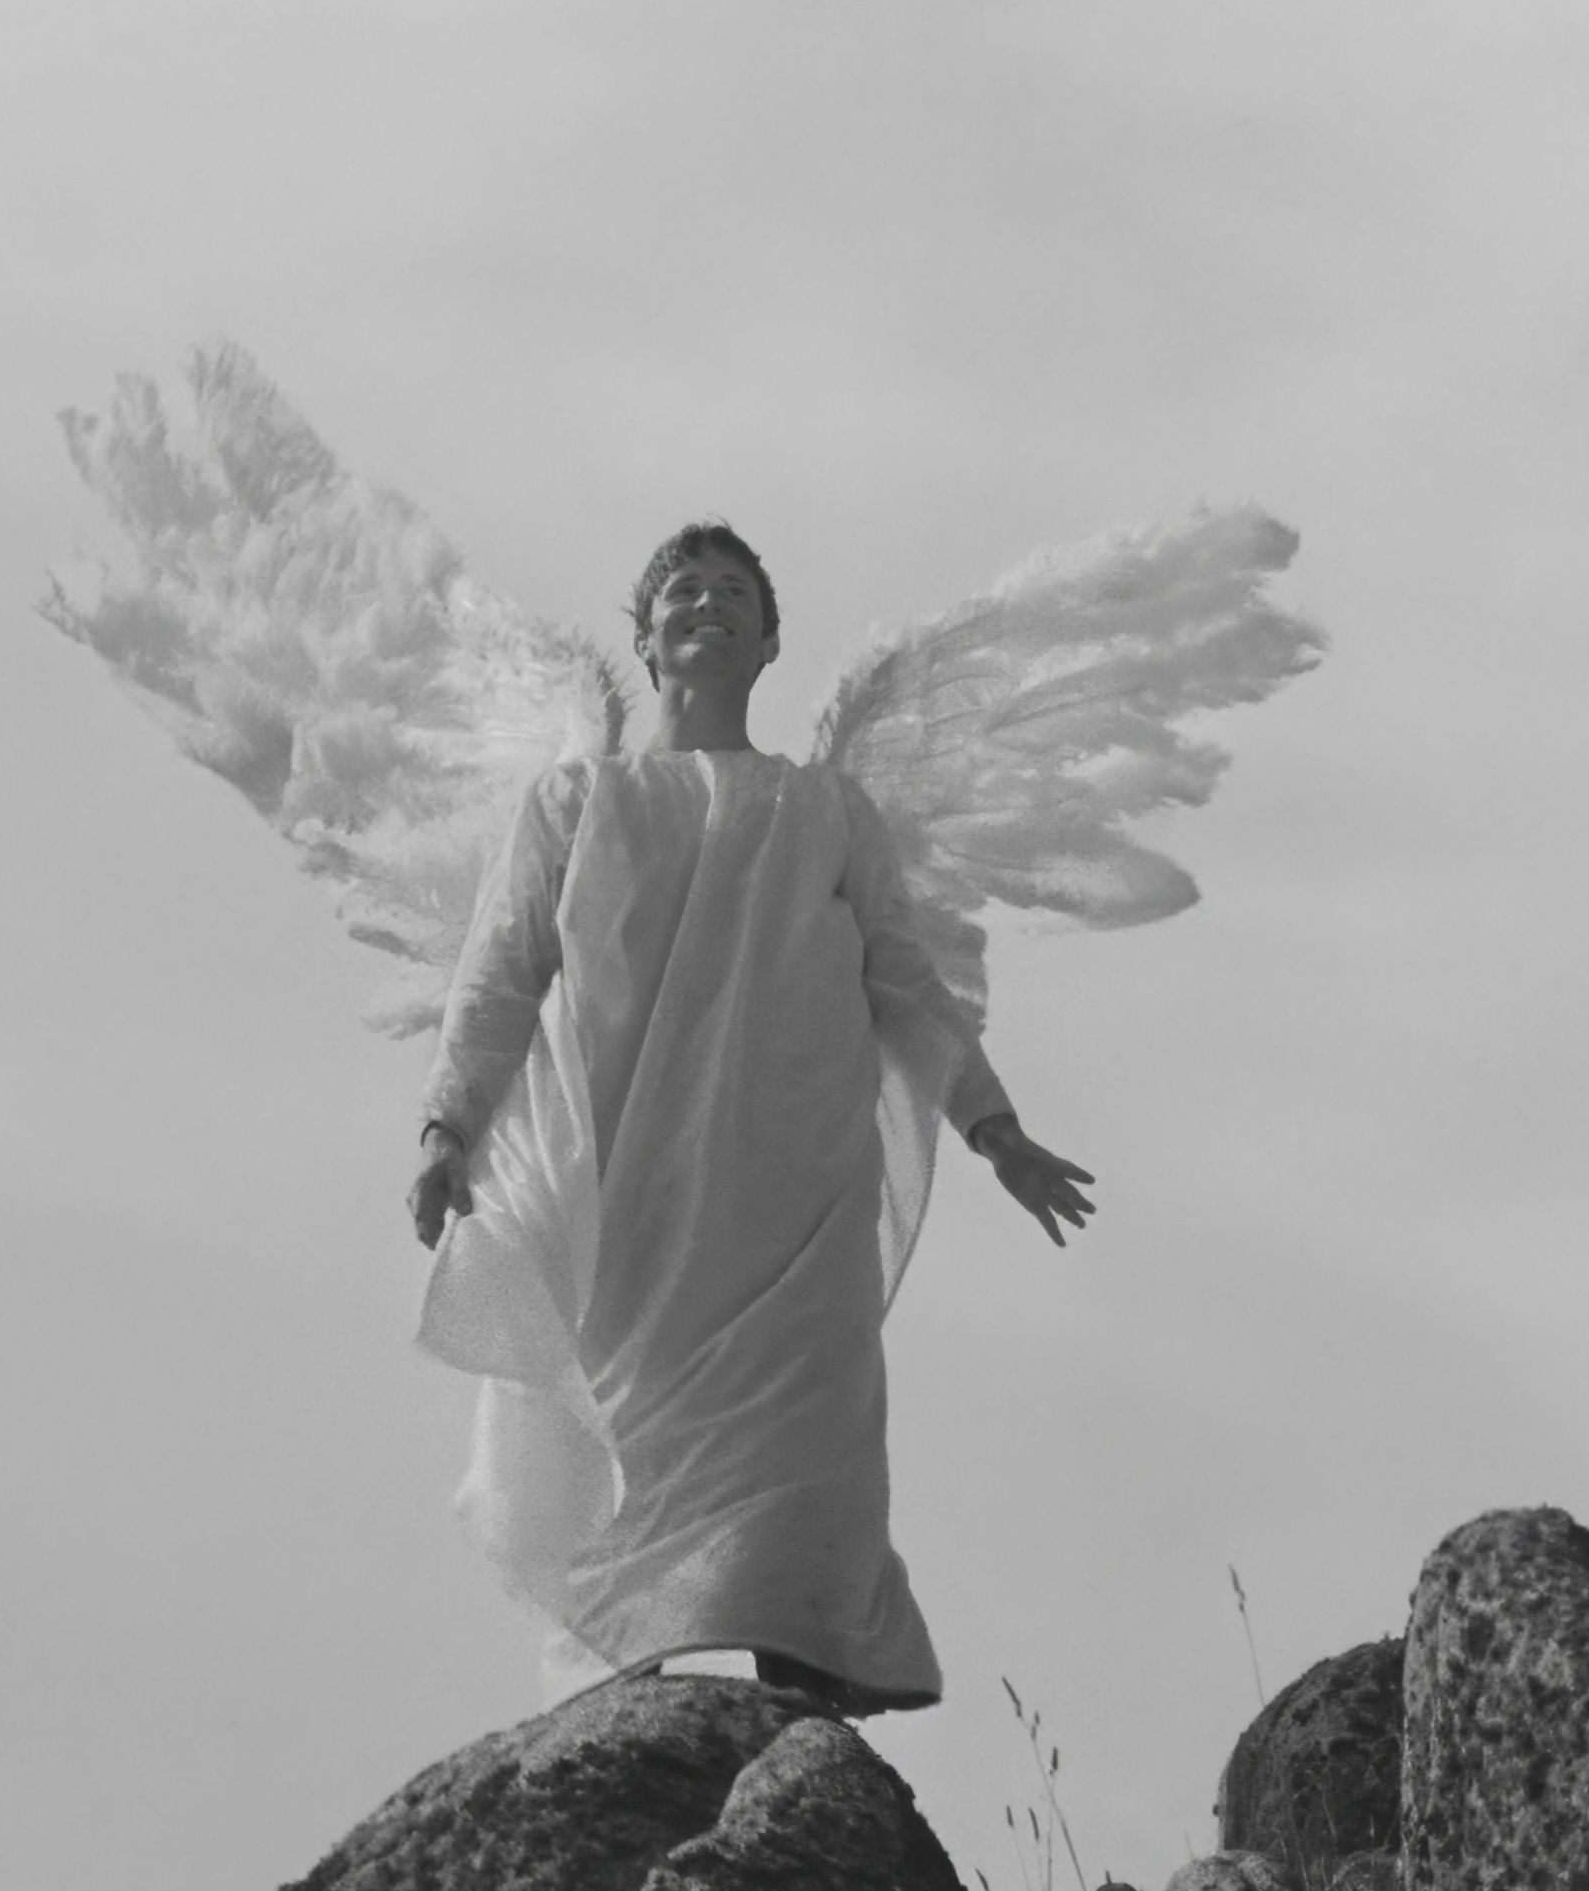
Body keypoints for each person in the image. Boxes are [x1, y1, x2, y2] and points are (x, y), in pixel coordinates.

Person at [403, 522, 1095, 1715]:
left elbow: (904, 982)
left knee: (807, 1430)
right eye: (682, 589)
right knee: (637, 1430)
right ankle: (629, 1716)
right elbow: (499, 974)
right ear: (644, 639)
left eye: (733, 591)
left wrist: (996, 1131)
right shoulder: (578, 799)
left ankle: (807, 1707)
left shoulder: (822, 807)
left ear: (768, 642)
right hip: (632, 1179)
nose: (706, 603)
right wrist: (446, 1131)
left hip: (798, 1187)